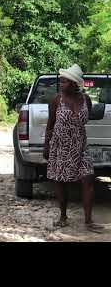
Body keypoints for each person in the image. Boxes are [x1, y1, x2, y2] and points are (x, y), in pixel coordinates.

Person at [44, 64, 102, 232]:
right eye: (61, 81)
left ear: (75, 83)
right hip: (60, 147)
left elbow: (86, 119)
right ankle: (63, 216)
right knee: (61, 182)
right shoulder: (56, 100)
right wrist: (46, 146)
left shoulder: (86, 100)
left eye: (65, 81)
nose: (61, 83)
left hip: (80, 146)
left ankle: (88, 221)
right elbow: (50, 125)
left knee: (88, 178)